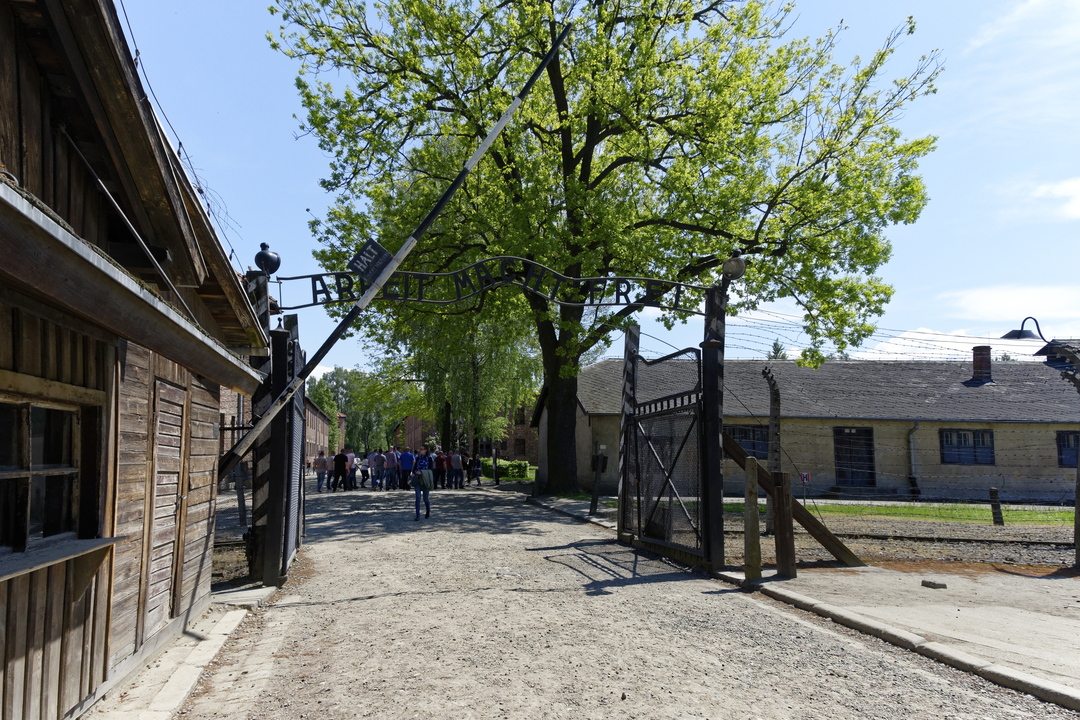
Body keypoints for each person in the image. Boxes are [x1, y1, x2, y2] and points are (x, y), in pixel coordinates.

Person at [410, 446, 433, 520]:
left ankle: (428, 511)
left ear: (425, 450)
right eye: (420, 449)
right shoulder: (418, 458)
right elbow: (414, 468)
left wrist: (422, 472)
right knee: (418, 497)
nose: (420, 450)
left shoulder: (429, 459)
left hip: (425, 480)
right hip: (417, 480)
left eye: (421, 449)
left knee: (425, 499)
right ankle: (417, 515)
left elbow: (431, 470)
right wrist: (413, 473)